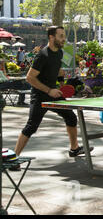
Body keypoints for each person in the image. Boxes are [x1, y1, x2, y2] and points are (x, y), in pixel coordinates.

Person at [12, 26, 93, 170]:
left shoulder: (59, 53)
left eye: (63, 36)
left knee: (71, 118)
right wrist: (49, 90)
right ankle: (14, 159)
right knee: (31, 127)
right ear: (51, 37)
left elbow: (58, 69)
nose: (63, 39)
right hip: (40, 96)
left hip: (54, 94)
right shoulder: (42, 55)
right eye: (61, 36)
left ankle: (74, 149)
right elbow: (30, 78)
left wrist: (62, 85)